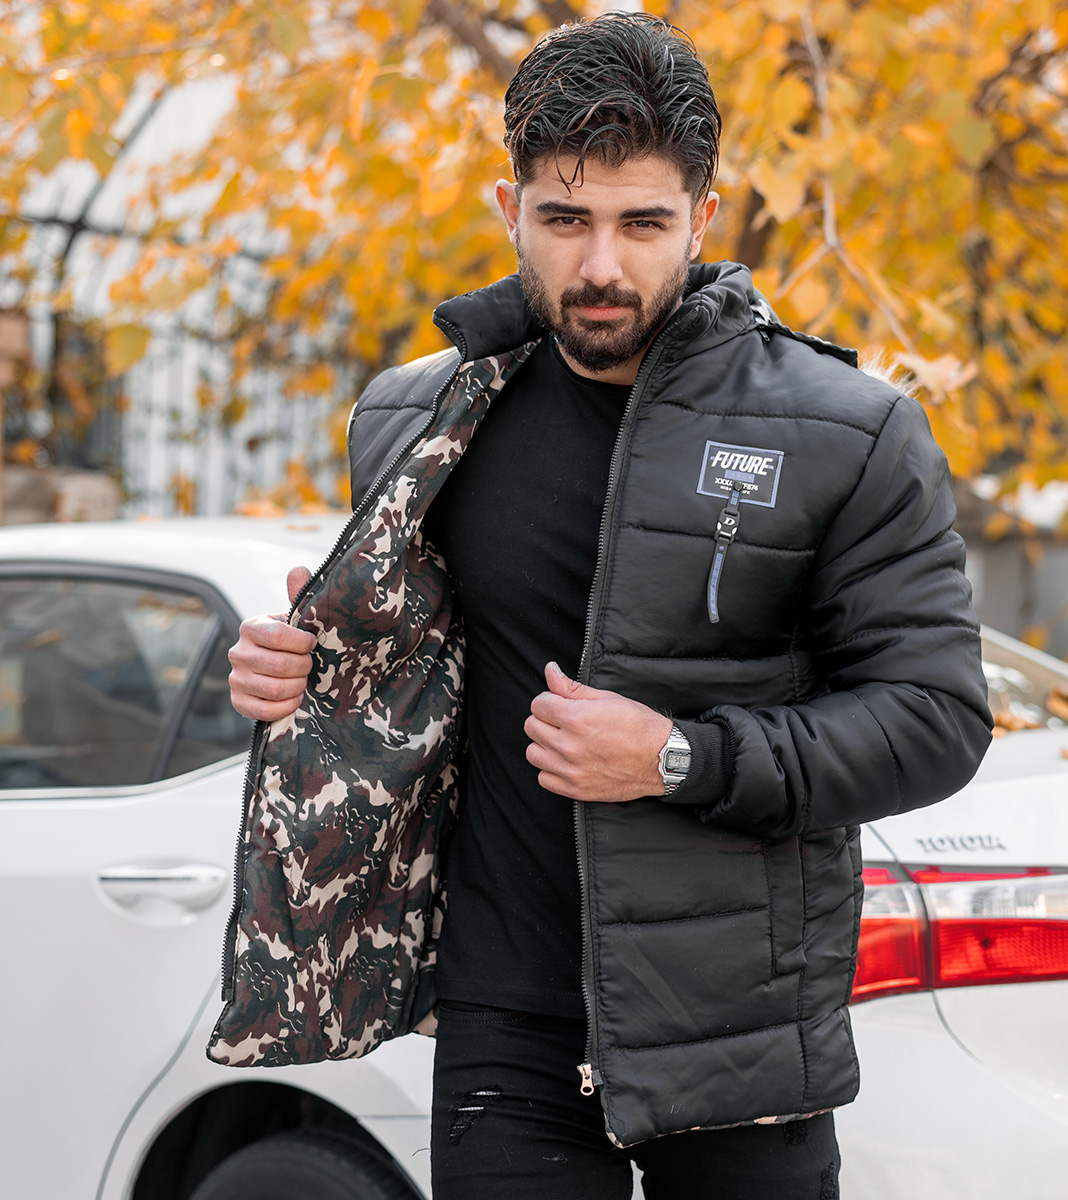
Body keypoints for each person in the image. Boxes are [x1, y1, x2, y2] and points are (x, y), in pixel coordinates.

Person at [213, 13, 993, 1199]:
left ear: (704, 218)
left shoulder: (846, 430)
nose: (602, 268)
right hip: (505, 1022)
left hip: (734, 1032)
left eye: (644, 224)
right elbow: (409, 689)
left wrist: (679, 757)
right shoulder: (418, 419)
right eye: (565, 219)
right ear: (509, 208)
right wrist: (302, 680)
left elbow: (937, 718)